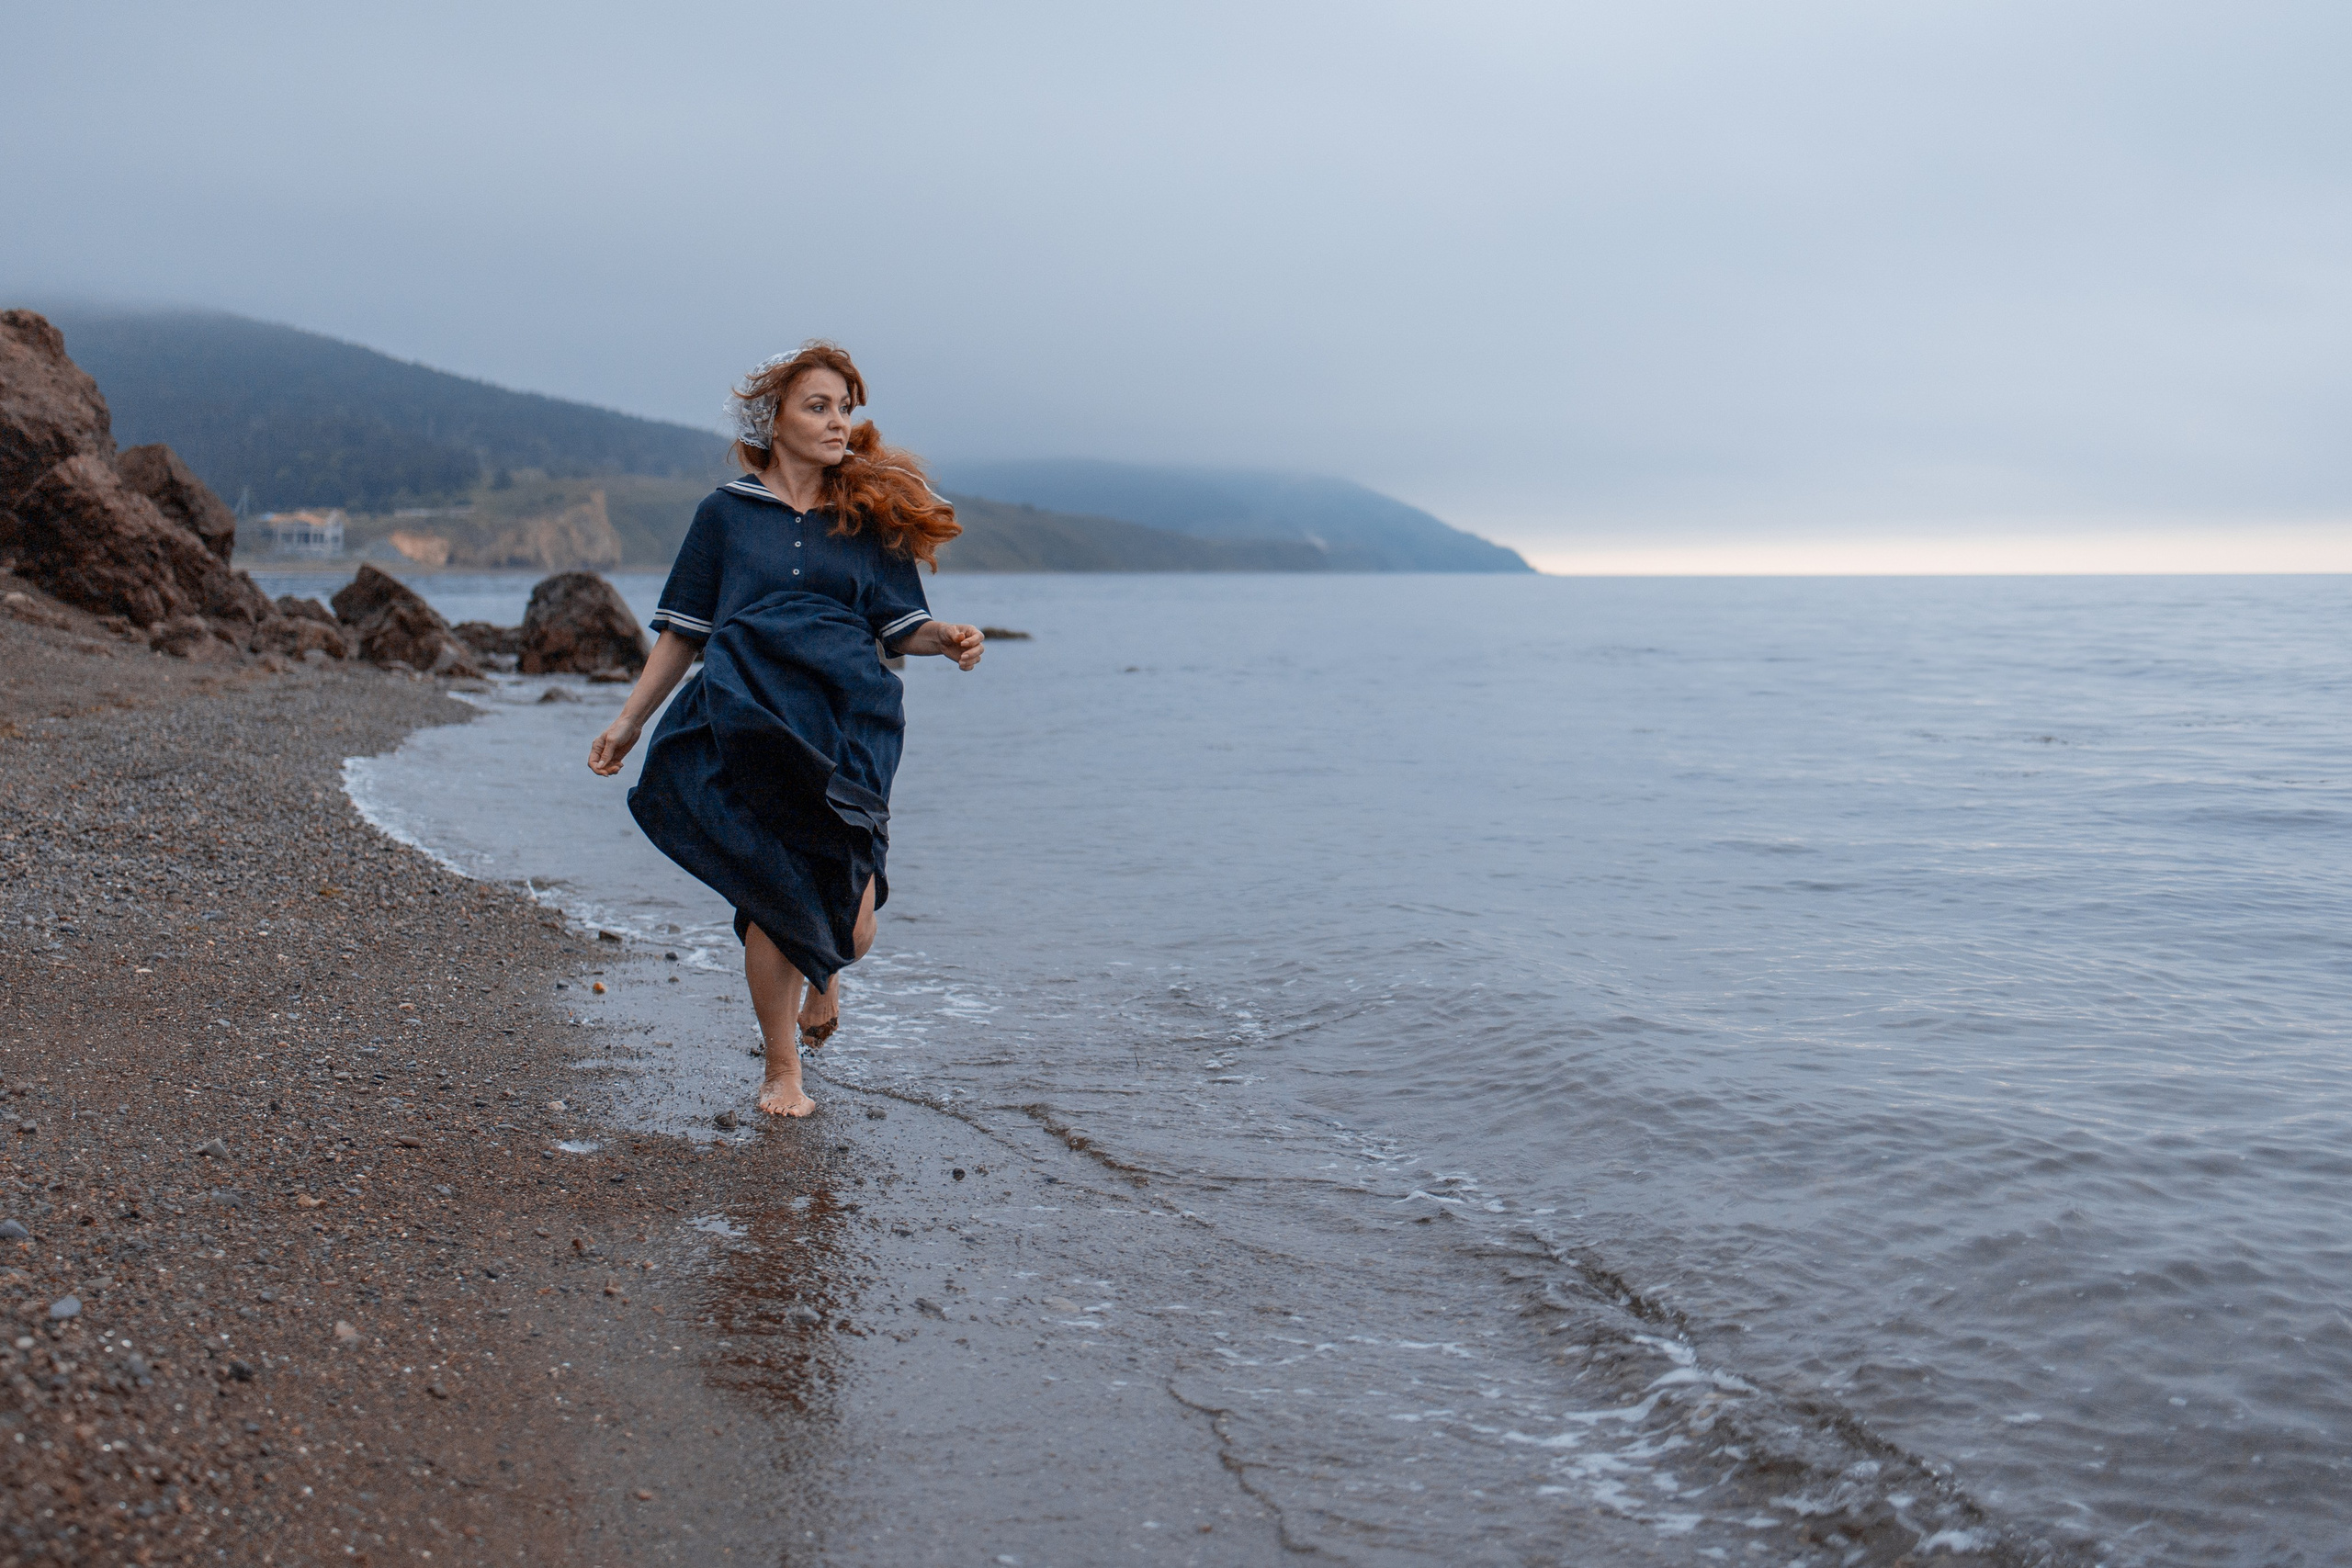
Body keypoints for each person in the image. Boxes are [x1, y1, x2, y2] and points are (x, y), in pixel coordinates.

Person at [587, 343, 982, 1118]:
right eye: (818, 406)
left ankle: (824, 967)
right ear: (771, 421)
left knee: (855, 927)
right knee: (772, 886)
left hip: (850, 725)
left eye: (845, 408)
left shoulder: (866, 512)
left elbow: (900, 623)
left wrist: (945, 637)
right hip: (748, 719)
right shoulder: (724, 515)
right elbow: (684, 630)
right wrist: (629, 721)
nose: (838, 422)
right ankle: (782, 1071)